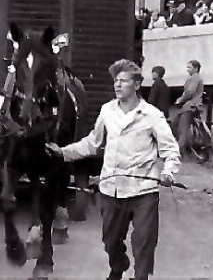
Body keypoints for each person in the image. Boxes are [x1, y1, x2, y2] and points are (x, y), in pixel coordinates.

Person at [45, 59, 180, 280]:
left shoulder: (152, 115)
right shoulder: (107, 111)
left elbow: (170, 149)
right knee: (110, 241)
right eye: (116, 81)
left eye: (123, 81)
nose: (117, 86)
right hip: (111, 189)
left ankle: (141, 276)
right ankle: (118, 266)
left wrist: (168, 172)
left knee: (144, 242)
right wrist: (62, 152)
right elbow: (92, 142)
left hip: (143, 190)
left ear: (136, 85)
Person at [172, 60, 204, 155]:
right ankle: (179, 146)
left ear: (196, 68)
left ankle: (180, 150)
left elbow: (190, 92)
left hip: (190, 106)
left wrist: (180, 100)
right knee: (174, 124)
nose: (187, 70)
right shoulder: (195, 78)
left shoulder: (194, 78)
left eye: (189, 67)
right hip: (191, 105)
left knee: (183, 128)